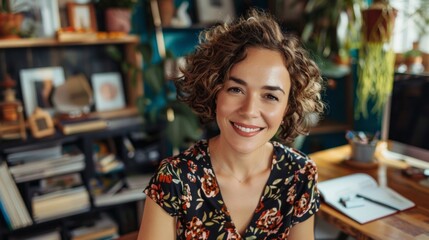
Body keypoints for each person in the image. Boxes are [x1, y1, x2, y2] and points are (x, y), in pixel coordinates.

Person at [138, 9, 324, 240]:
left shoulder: (300, 174)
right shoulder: (174, 179)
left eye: (270, 96)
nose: (249, 111)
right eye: (236, 89)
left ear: (288, 107)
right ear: (214, 91)